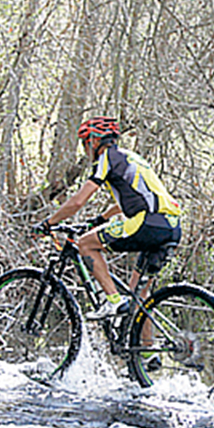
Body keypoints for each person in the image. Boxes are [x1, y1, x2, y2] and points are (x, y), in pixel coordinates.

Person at [33, 116, 182, 320]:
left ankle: (113, 300)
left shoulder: (107, 158)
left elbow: (78, 201)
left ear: (95, 141)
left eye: (85, 143)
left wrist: (49, 223)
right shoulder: (130, 157)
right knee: (138, 299)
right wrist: (100, 220)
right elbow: (134, 198)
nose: (85, 150)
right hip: (170, 225)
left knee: (85, 244)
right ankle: (142, 342)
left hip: (147, 222)